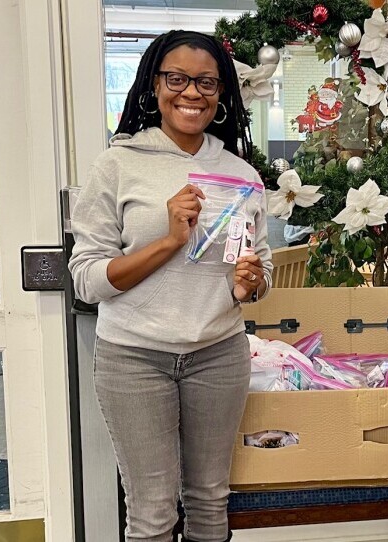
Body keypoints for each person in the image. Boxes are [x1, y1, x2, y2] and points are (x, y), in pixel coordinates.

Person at [69, 30, 272, 542]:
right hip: (133, 358)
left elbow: (258, 268)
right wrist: (167, 241)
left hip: (219, 353)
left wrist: (253, 282)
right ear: (153, 86)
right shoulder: (117, 165)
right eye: (176, 78)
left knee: (209, 501)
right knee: (153, 511)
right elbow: (87, 280)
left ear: (222, 93)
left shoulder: (242, 173)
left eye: (206, 82)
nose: (191, 93)